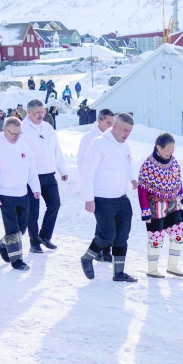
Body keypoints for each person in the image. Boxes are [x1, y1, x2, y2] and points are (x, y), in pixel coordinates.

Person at [79, 113, 138, 282]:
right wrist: (88, 198)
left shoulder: (125, 146)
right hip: (102, 199)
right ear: (114, 127)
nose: (127, 134)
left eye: (130, 131)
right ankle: (87, 257)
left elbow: (128, 165)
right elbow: (87, 172)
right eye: (124, 130)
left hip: (121, 198)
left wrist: (132, 178)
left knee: (122, 236)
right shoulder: (99, 143)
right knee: (107, 235)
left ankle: (119, 273)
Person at [0, 116, 41, 270]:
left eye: (19, 133)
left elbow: (31, 168)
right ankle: (17, 261)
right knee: (12, 229)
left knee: (22, 228)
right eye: (13, 134)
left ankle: (3, 244)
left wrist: (35, 187)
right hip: (5, 195)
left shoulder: (23, 145)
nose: (16, 137)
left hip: (22, 193)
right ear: (4, 131)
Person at [20, 99, 68, 253]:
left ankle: (45, 236)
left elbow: (56, 149)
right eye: (38, 112)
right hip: (31, 177)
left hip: (49, 174)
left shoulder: (47, 127)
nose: (41, 115)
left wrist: (63, 170)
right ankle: (34, 243)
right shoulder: (22, 129)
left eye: (43, 112)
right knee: (33, 211)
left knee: (54, 205)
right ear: (29, 112)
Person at [138, 132, 183, 278]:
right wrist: (145, 209)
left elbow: (178, 179)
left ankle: (173, 266)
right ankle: (152, 269)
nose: (170, 152)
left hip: (173, 203)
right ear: (158, 147)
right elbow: (142, 188)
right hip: (155, 206)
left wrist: (180, 194)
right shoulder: (148, 165)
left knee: (179, 232)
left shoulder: (174, 162)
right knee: (156, 237)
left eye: (173, 149)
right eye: (168, 149)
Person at [78, 108, 116, 263]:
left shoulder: (113, 137)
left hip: (110, 186)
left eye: (113, 123)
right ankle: (98, 250)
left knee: (110, 220)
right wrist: (88, 185)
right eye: (108, 123)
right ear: (99, 121)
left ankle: (106, 250)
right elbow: (82, 163)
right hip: (96, 186)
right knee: (103, 220)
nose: (111, 126)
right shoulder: (88, 139)